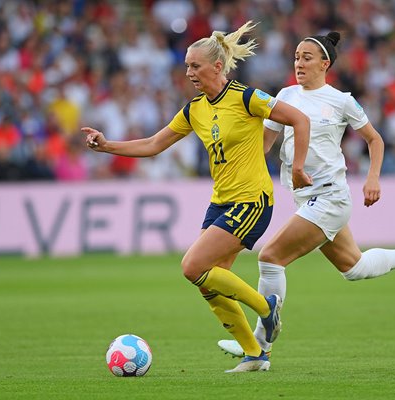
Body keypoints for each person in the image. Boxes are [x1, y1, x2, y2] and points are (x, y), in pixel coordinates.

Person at [82, 21, 313, 373]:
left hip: (252, 201)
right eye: (187, 65)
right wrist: (107, 145)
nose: (188, 71)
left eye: (195, 65)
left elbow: (298, 119)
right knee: (209, 284)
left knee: (192, 266)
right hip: (220, 202)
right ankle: (255, 355)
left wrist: (297, 167)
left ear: (217, 67)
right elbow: (153, 144)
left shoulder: (246, 98)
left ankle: (266, 308)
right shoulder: (195, 109)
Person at [218, 32, 395, 358]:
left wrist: (373, 178)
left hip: (330, 198)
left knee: (270, 258)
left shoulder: (341, 100)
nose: (299, 62)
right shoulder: (285, 95)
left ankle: (259, 347)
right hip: (306, 198)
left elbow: (375, 140)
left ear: (325, 63)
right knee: (354, 267)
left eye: (307, 57)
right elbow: (265, 144)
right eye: (297, 56)